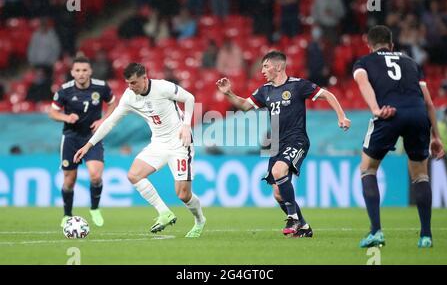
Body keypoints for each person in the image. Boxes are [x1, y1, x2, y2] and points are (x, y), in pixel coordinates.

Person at [216, 51, 351, 237]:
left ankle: (293, 218)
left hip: (297, 140)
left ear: (278, 66)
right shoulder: (265, 90)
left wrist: (341, 116)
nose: (262, 70)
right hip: (276, 145)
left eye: (265, 66)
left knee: (279, 172)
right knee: (278, 194)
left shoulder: (298, 86)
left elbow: (327, 95)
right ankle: (303, 226)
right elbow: (245, 106)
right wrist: (228, 93)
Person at [73, 63, 206, 238]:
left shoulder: (162, 87)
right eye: (128, 83)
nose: (131, 87)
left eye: (134, 83)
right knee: (134, 175)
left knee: (183, 194)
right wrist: (88, 145)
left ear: (145, 78)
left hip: (180, 143)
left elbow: (189, 98)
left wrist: (187, 125)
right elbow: (111, 121)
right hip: (158, 143)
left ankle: (199, 220)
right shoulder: (129, 97)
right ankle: (164, 213)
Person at [353, 25, 445, 249]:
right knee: (421, 175)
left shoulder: (364, 62)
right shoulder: (411, 63)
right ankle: (426, 236)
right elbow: (429, 102)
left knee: (367, 169)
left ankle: (376, 231)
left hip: (389, 113)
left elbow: (363, 83)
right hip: (417, 115)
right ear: (392, 44)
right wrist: (437, 136)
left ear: (369, 45)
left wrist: (375, 110)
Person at [49, 56, 117, 228]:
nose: (81, 74)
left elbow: (113, 104)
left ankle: (94, 208)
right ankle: (67, 215)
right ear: (72, 72)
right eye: (77, 70)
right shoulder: (64, 91)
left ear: (90, 72)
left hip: (92, 137)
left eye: (84, 70)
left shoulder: (101, 87)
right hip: (71, 137)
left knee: (95, 175)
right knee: (70, 180)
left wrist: (103, 121)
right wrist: (66, 117)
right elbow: (53, 113)